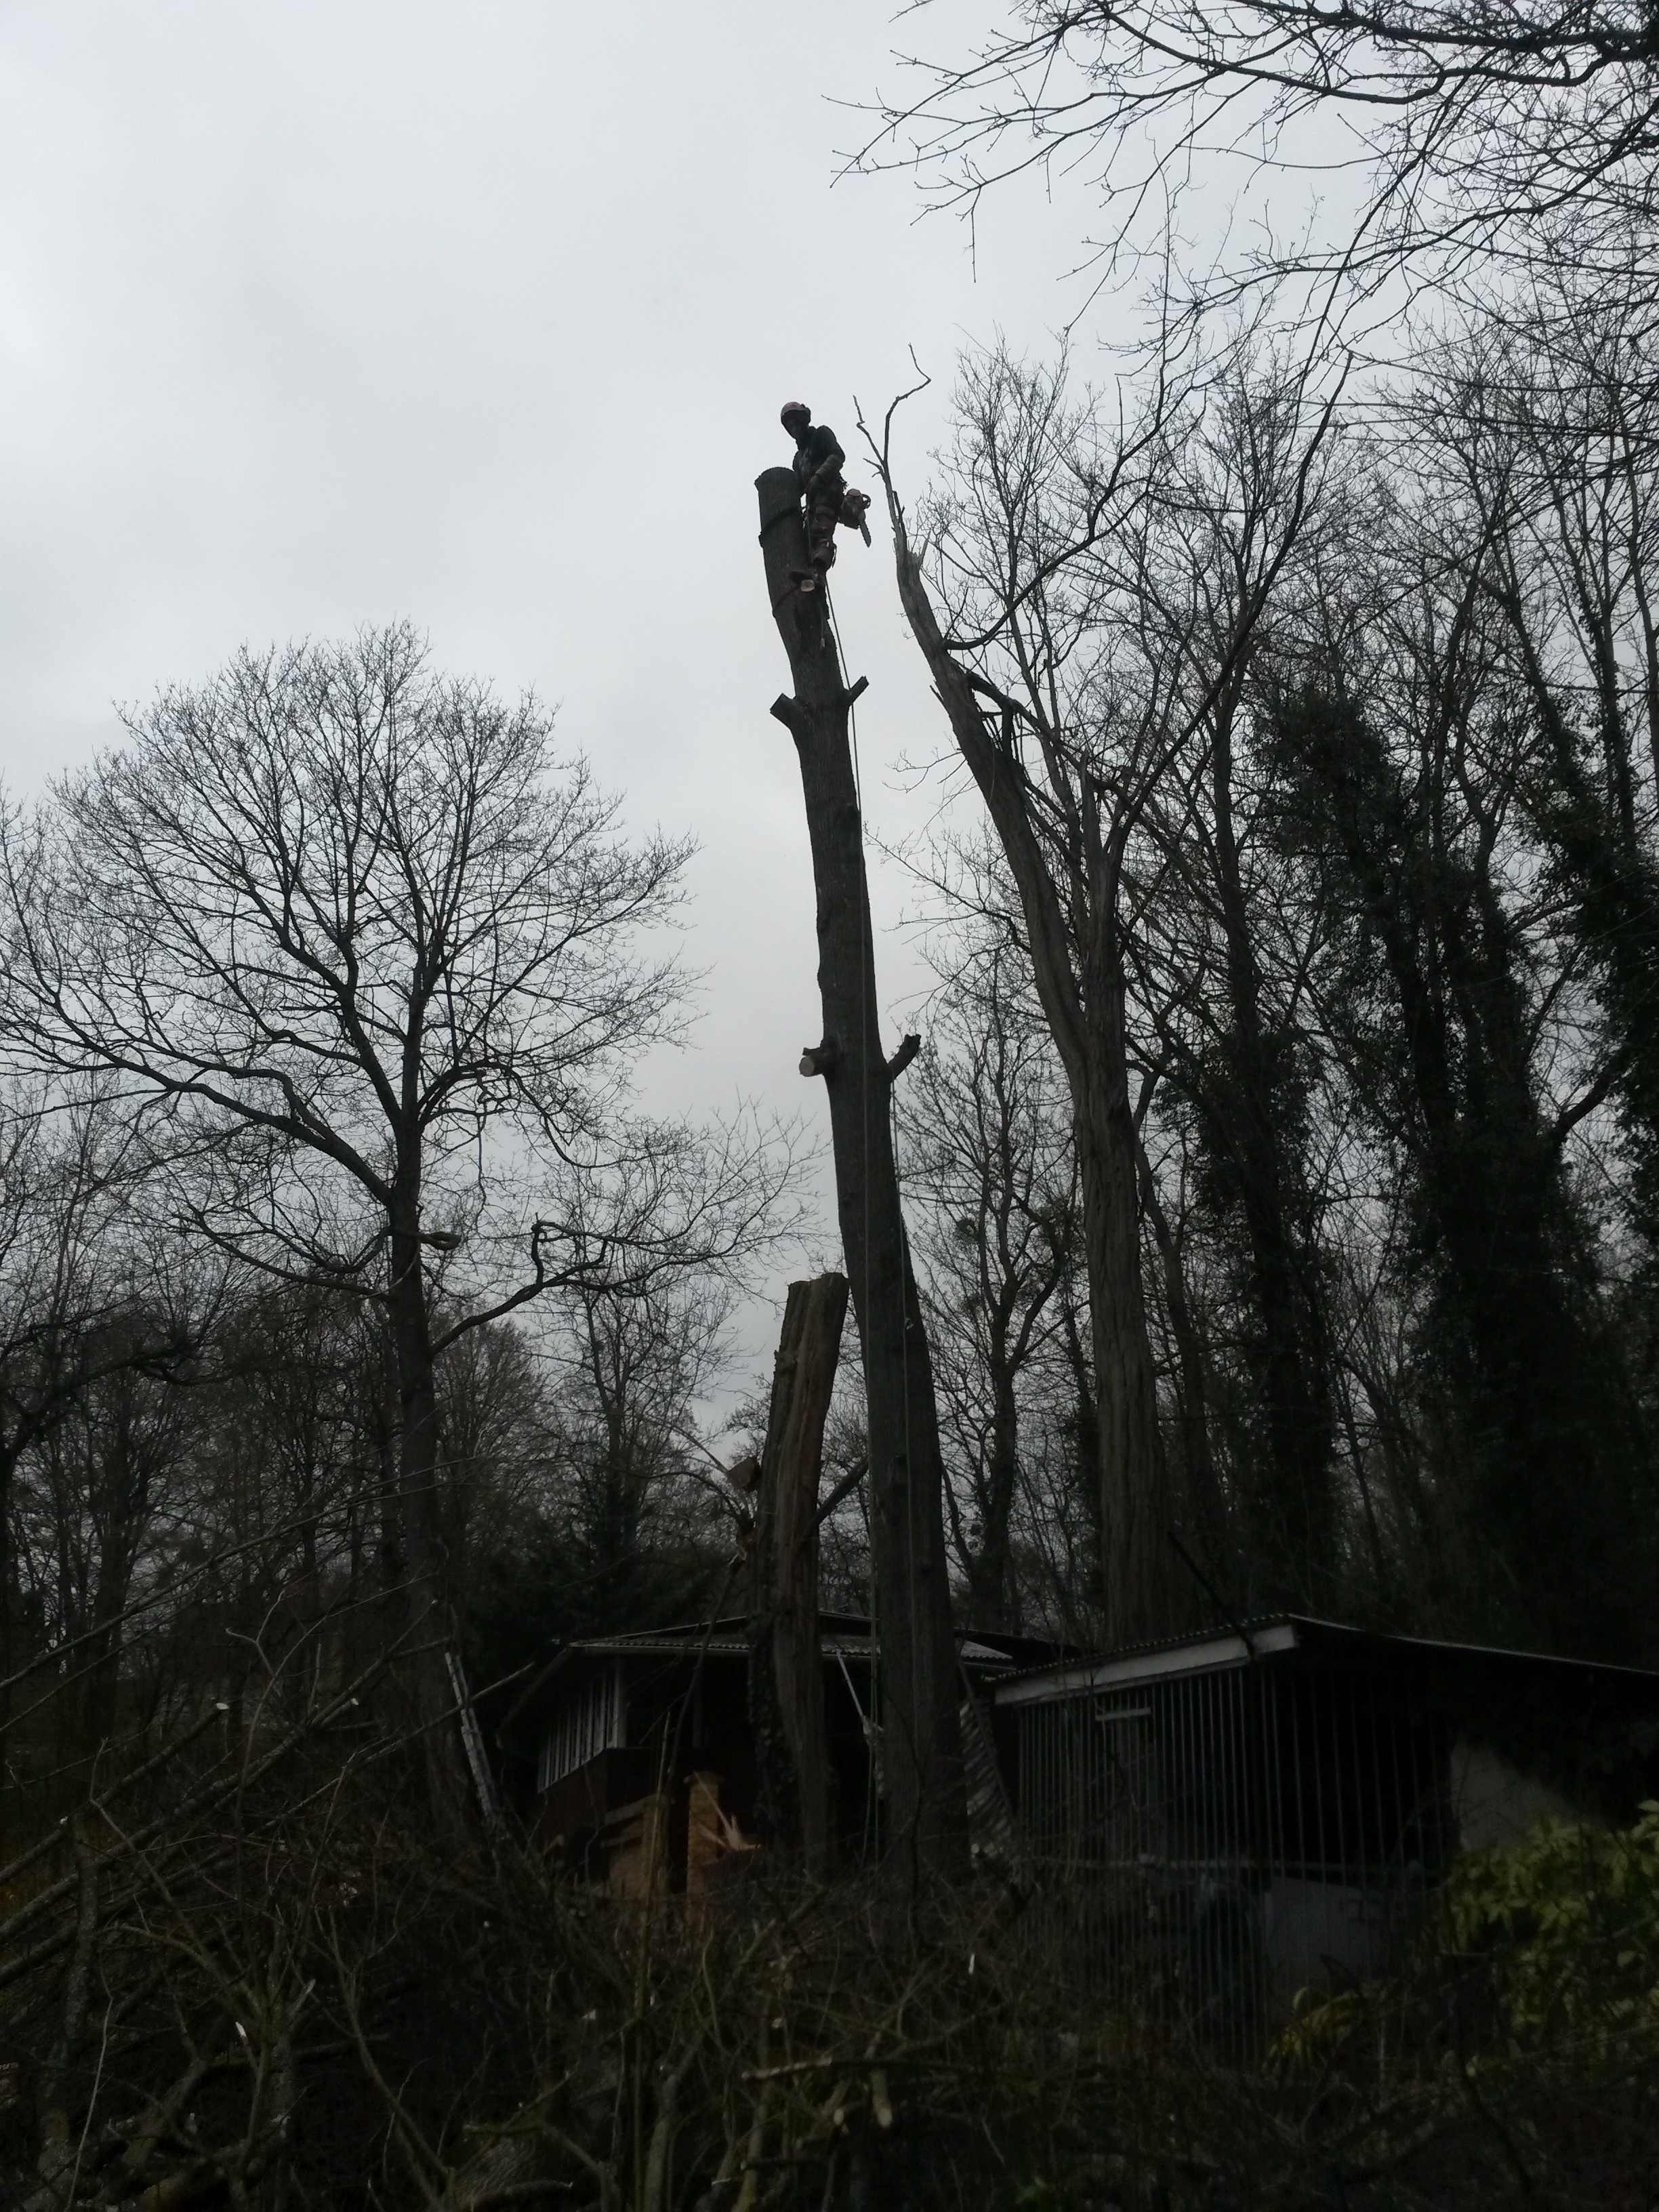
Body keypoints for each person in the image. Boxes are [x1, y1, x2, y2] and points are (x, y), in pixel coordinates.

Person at [780, 401, 846, 575]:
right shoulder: (798, 459)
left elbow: (838, 456)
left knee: (821, 532)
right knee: (805, 540)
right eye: (790, 426)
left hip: (828, 493)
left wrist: (819, 476)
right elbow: (797, 488)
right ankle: (807, 576)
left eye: (796, 423)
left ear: (804, 420)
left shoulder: (821, 435)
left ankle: (817, 572)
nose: (794, 428)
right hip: (812, 502)